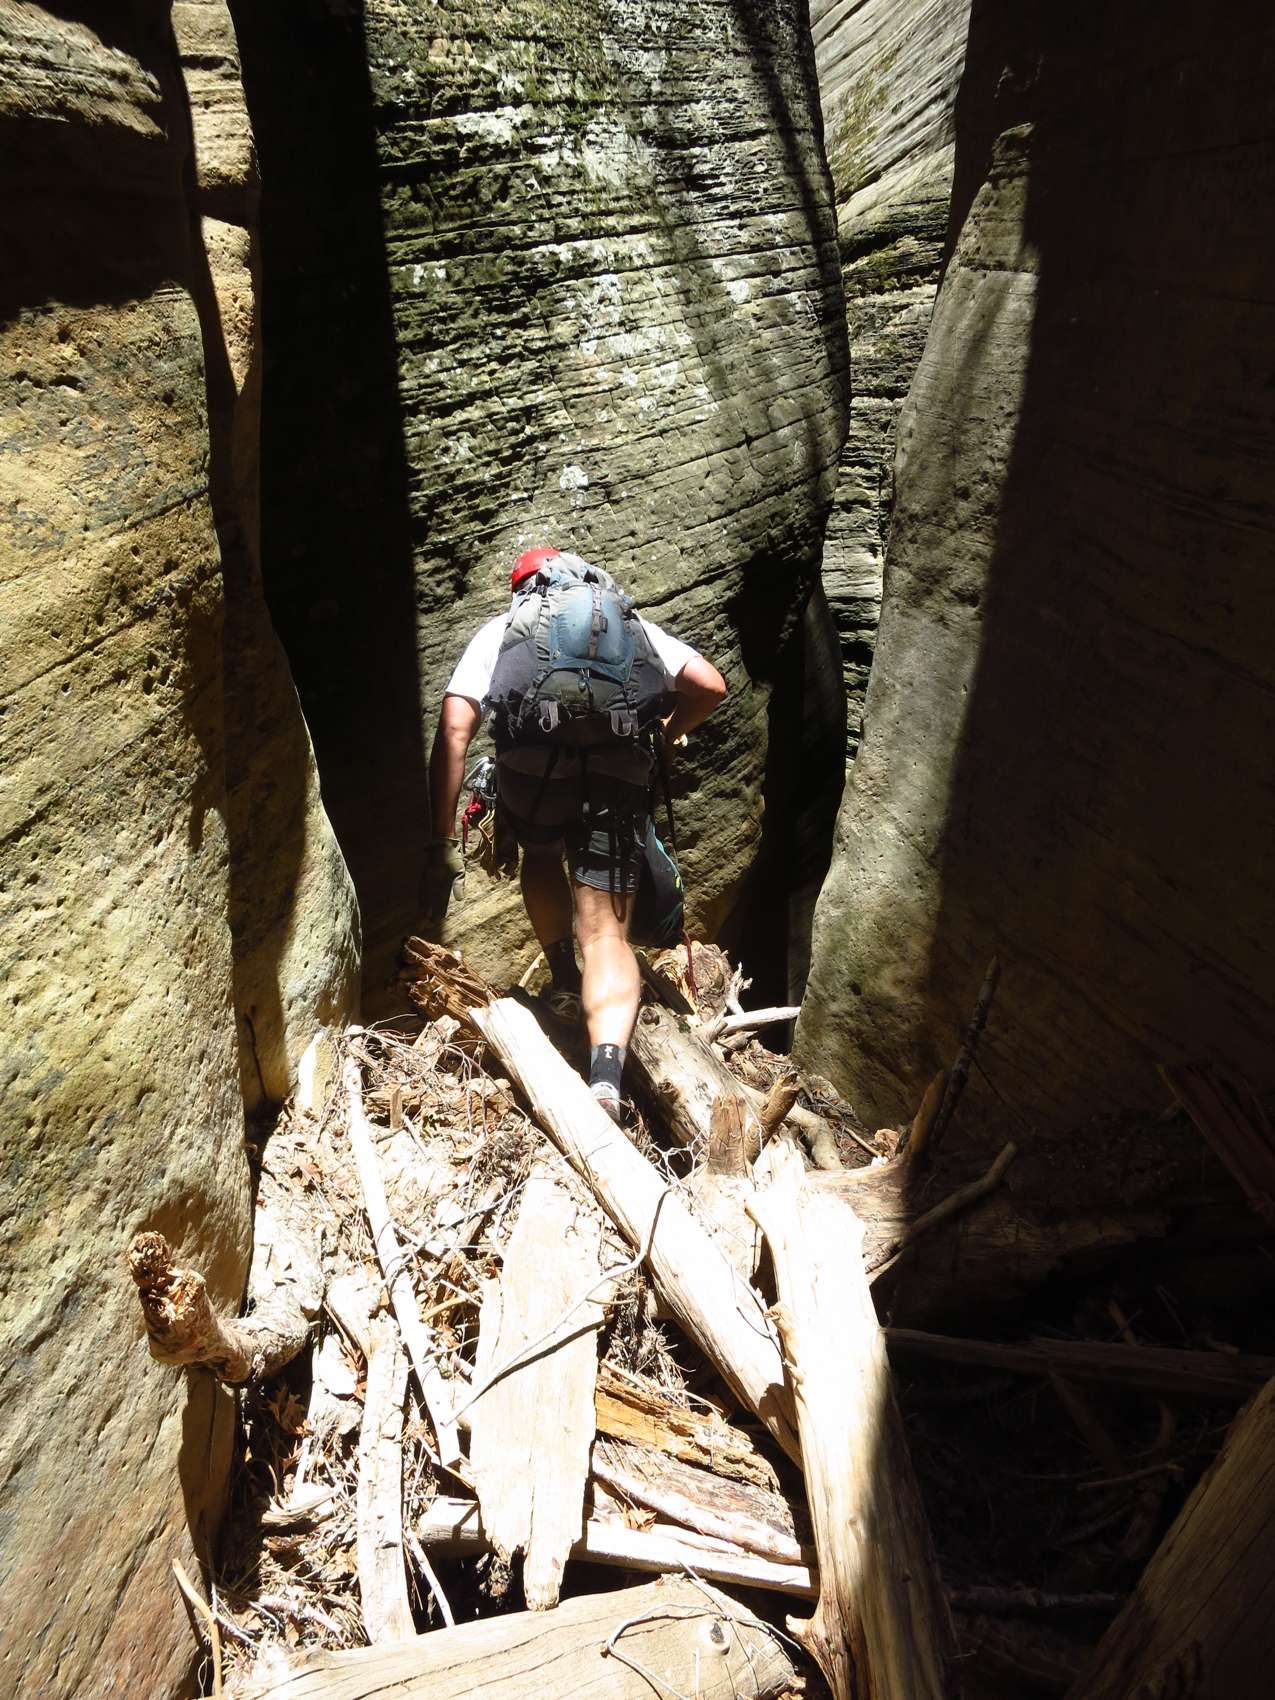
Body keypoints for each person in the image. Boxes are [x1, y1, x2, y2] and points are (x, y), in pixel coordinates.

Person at [421, 546, 727, 1118]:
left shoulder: (504, 629)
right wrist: (666, 732)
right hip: (615, 779)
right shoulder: (628, 625)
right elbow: (710, 686)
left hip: (532, 780)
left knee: (539, 856)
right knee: (606, 934)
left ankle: (563, 978)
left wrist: (441, 841)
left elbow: (455, 729)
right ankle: (605, 1077)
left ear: (522, 590)